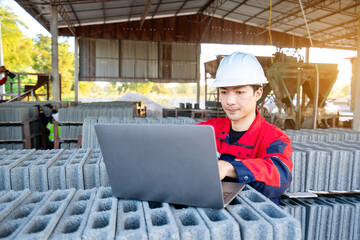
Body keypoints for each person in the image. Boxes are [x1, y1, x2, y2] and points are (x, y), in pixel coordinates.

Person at [198, 52, 293, 204]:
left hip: (254, 219)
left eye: (239, 92)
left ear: (258, 93)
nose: (229, 101)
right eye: (224, 92)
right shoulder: (208, 130)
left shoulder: (274, 138)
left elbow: (280, 175)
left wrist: (230, 168)